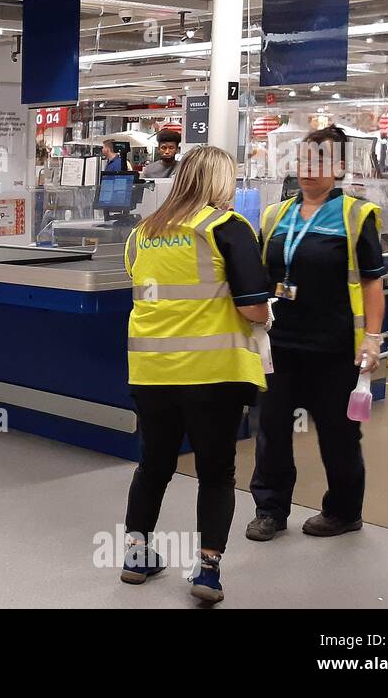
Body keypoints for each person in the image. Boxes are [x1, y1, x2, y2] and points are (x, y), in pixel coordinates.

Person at [117, 145, 271, 604]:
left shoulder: (142, 232)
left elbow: (146, 290)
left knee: (154, 463)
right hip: (212, 371)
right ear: (220, 182)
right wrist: (266, 312)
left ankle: (135, 555)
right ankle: (206, 572)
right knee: (216, 471)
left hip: (151, 369)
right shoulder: (227, 227)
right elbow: (253, 306)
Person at [247, 126, 387, 542]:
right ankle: (270, 509)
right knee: (271, 430)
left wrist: (372, 339)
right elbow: (262, 274)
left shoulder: (355, 216)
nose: (308, 169)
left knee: (338, 433)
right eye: (304, 160)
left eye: (320, 161)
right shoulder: (275, 215)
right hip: (279, 345)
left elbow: (372, 282)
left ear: (340, 167)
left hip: (334, 347)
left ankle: (344, 511)